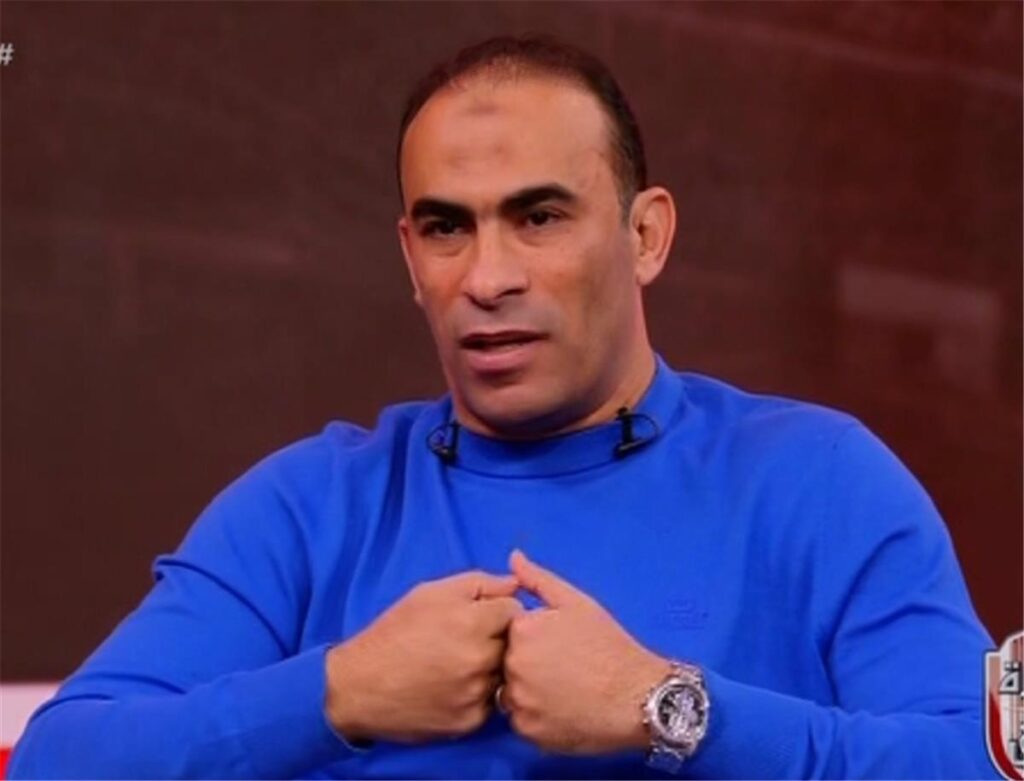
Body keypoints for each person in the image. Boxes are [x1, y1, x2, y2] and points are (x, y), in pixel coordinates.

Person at [9, 35, 999, 780]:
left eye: (539, 217)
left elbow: (979, 763)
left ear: (645, 236)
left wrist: (665, 707)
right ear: (411, 257)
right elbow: (61, 758)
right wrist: (338, 692)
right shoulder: (312, 506)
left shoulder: (819, 480)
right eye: (448, 228)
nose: (487, 278)